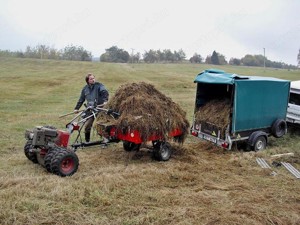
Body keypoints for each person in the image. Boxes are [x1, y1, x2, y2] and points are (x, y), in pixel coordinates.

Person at [74, 73, 109, 142]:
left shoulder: (99, 85)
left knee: (100, 125)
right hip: (90, 110)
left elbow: (104, 92)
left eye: (93, 78)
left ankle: (106, 139)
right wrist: (76, 108)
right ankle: (87, 141)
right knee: (87, 126)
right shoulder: (85, 89)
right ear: (88, 81)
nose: (93, 80)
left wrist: (105, 101)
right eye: (91, 79)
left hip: (100, 109)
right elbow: (81, 99)